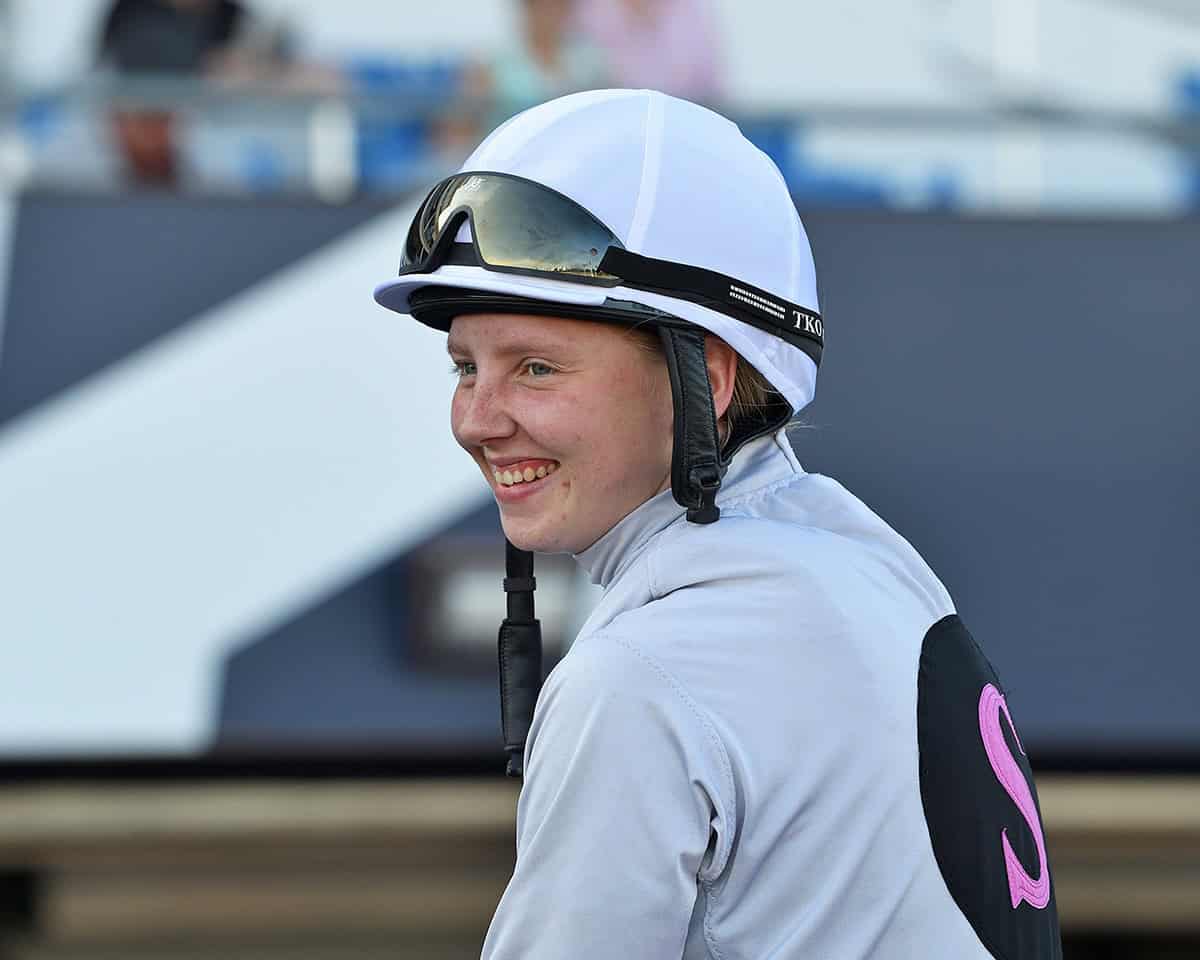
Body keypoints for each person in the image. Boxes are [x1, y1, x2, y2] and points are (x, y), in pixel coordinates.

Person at [374, 89, 1062, 959]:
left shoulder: (645, 674)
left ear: (710, 373)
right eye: (465, 368)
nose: (478, 419)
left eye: (537, 368)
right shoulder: (873, 567)